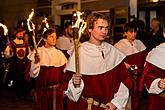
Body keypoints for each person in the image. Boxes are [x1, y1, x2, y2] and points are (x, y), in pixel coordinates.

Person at [63, 12, 132, 110]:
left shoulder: (112, 51)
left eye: (106, 28)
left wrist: (115, 103)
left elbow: (125, 82)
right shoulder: (79, 52)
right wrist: (75, 84)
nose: (104, 32)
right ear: (90, 29)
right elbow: (68, 91)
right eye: (100, 28)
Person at [26, 28, 67, 110]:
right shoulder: (37, 52)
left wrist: (64, 89)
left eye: (55, 37)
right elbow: (32, 75)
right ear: (44, 39)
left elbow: (65, 74)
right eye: (51, 36)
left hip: (56, 92)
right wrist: (36, 63)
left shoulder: (59, 54)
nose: (54, 39)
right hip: (42, 92)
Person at [114, 22, 148, 110]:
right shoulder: (119, 45)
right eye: (131, 32)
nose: (134, 34)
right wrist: (126, 65)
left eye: (135, 32)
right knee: (126, 99)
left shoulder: (139, 43)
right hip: (126, 76)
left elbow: (146, 58)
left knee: (136, 99)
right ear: (125, 33)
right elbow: (116, 61)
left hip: (138, 76)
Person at [139, 24, 165, 110]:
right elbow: (147, 80)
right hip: (161, 102)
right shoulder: (156, 54)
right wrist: (159, 83)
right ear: (164, 34)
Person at [4, 27, 30, 100]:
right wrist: (10, 54)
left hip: (24, 66)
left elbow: (29, 54)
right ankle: (17, 95)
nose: (21, 34)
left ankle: (24, 95)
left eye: (22, 33)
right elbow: (6, 54)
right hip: (15, 66)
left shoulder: (25, 44)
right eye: (19, 33)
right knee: (16, 81)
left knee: (24, 81)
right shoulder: (11, 44)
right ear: (16, 34)